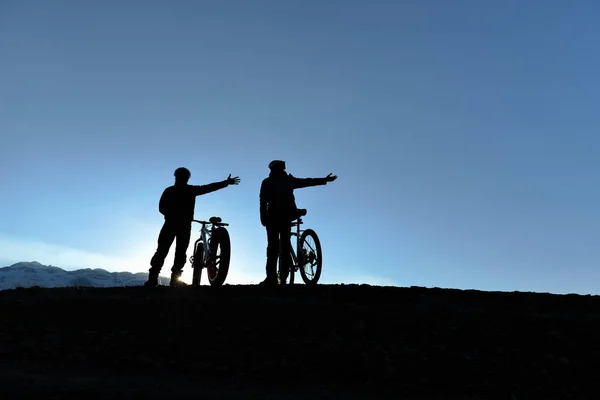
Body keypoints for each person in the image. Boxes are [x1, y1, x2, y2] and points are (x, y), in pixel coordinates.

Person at [145, 167, 240, 287]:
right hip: (181, 225)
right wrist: (226, 183)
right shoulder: (189, 190)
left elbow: (161, 208)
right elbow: (208, 188)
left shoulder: (170, 190)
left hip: (171, 224)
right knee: (176, 252)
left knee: (165, 251)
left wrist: (170, 214)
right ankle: (172, 280)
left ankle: (155, 279)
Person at [259, 160, 337, 286]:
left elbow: (262, 201)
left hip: (276, 218)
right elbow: (307, 182)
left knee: (275, 249)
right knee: (280, 248)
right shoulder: (284, 181)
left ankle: (274, 279)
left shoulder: (269, 182)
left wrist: (263, 216)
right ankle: (279, 278)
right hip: (280, 217)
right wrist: (324, 180)